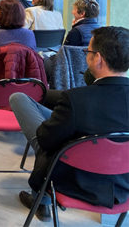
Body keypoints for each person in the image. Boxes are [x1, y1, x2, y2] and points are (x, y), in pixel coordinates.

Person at [9, 26, 129, 221]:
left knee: (30, 114)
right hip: (123, 185)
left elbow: (46, 141)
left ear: (98, 58)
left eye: (87, 52)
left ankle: (41, 198)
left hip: (73, 182)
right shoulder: (75, 101)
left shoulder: (77, 100)